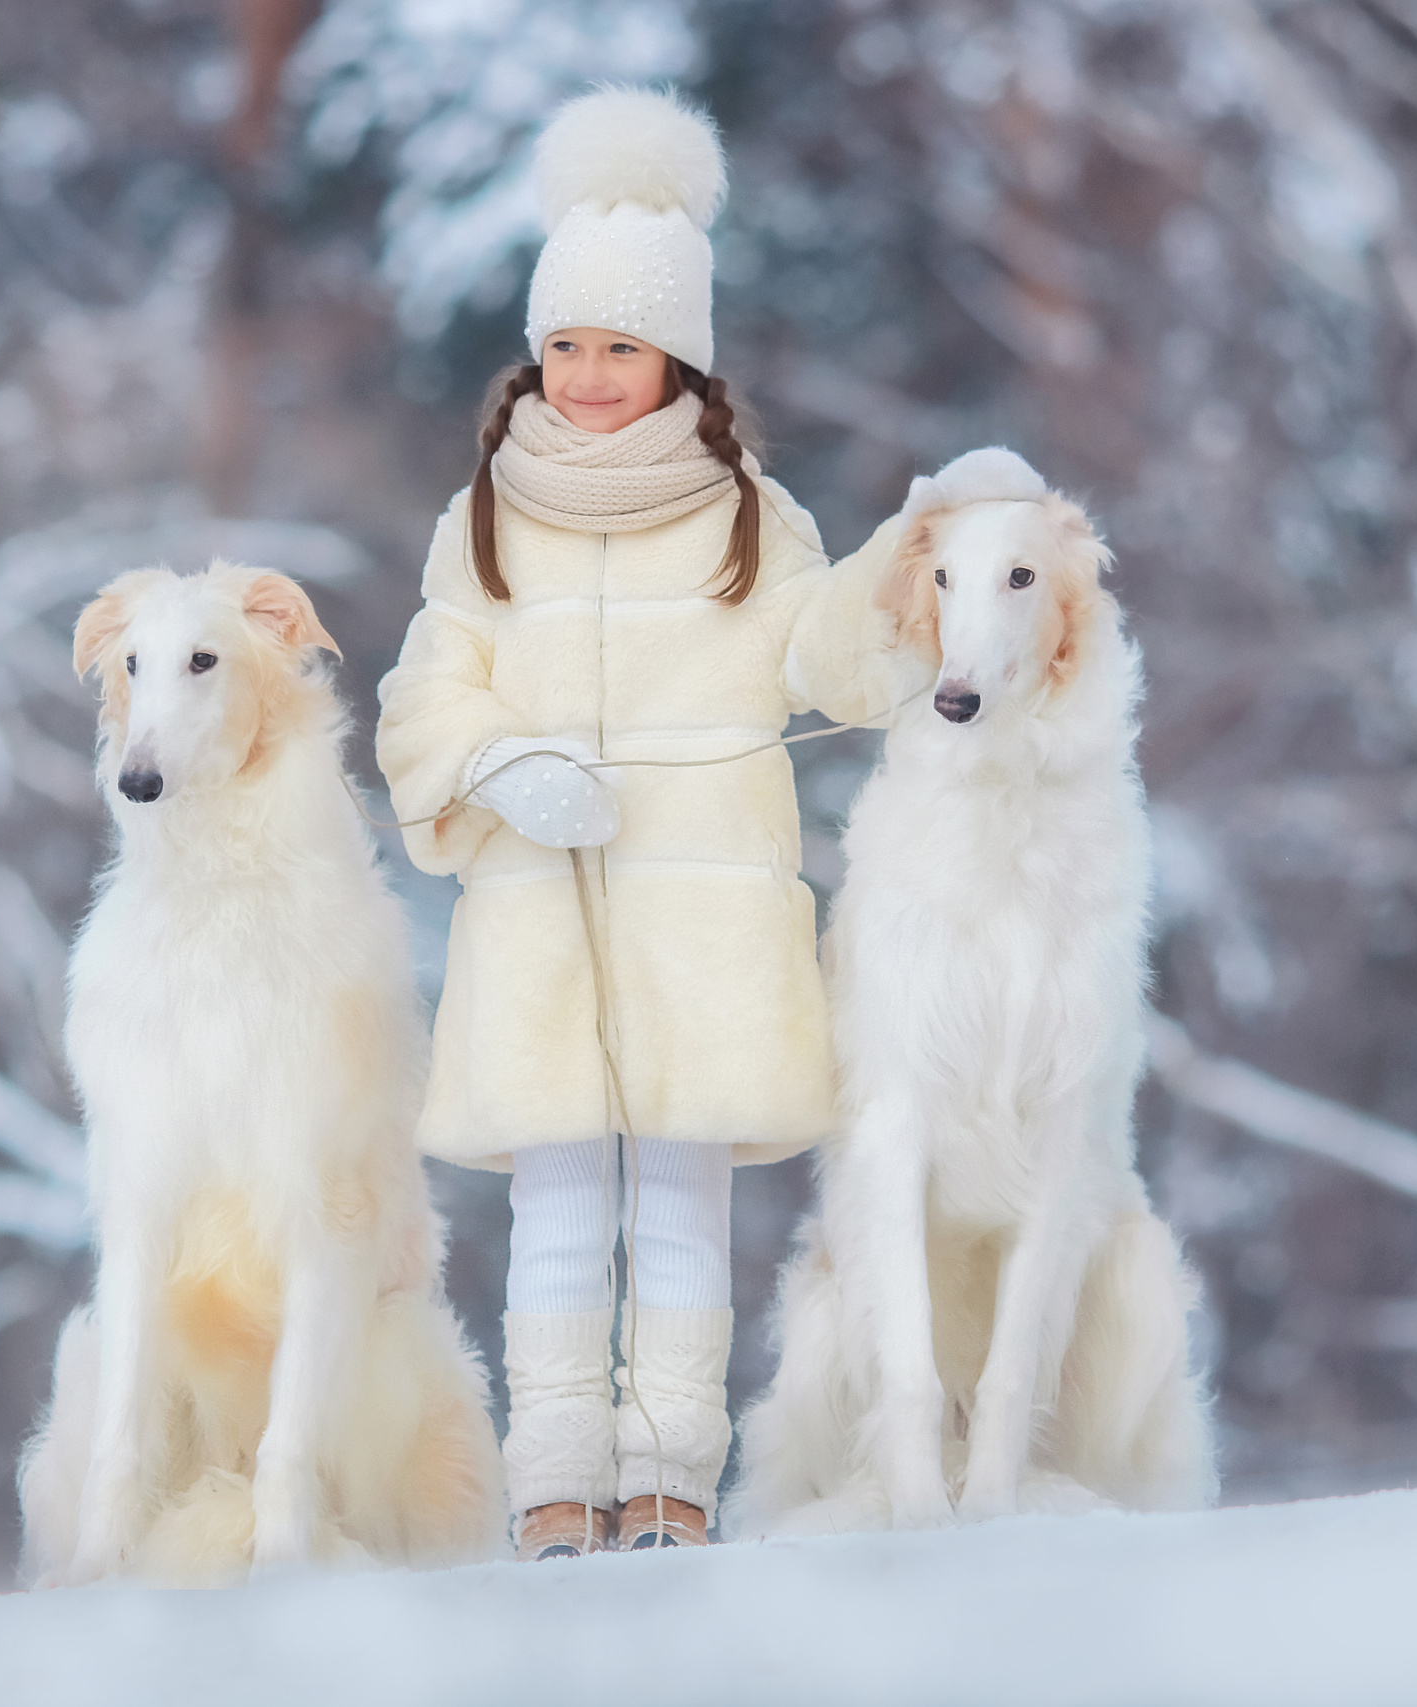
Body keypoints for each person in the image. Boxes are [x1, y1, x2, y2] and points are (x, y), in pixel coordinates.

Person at [374, 86, 897, 1559]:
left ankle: (669, 1480)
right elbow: (420, 704)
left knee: (678, 1214)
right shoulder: (484, 518)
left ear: (680, 356)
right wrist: (498, 767)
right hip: (539, 919)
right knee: (553, 1218)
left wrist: (914, 564)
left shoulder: (751, 517)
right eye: (564, 344)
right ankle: (553, 1486)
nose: (589, 374)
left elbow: (834, 664)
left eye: (620, 345)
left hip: (704, 927)